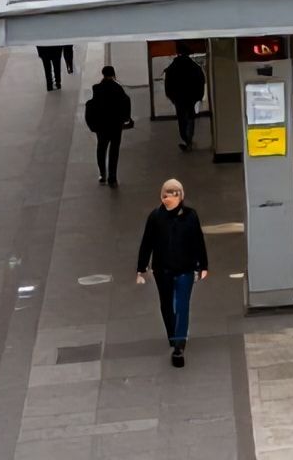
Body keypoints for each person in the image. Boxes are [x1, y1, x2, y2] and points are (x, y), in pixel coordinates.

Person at [136, 179, 208, 368]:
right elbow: (147, 243)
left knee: (182, 305)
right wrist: (141, 267)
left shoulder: (191, 216)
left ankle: (179, 344)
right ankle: (173, 334)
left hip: (185, 269)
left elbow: (198, 240)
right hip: (163, 270)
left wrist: (203, 265)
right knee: (167, 305)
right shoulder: (155, 217)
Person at [86, 65, 131, 186]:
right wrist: (125, 118)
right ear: (113, 74)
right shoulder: (118, 88)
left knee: (101, 149)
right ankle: (112, 177)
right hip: (116, 124)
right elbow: (126, 102)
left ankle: (102, 174)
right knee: (114, 151)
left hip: (101, 125)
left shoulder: (97, 88)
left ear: (103, 74)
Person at [163, 48, 206, 152]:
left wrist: (171, 96)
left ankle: (186, 139)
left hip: (178, 97)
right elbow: (201, 81)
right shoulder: (194, 67)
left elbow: (168, 84)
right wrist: (199, 96)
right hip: (191, 96)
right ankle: (189, 139)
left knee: (181, 118)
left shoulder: (172, 68)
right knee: (190, 116)